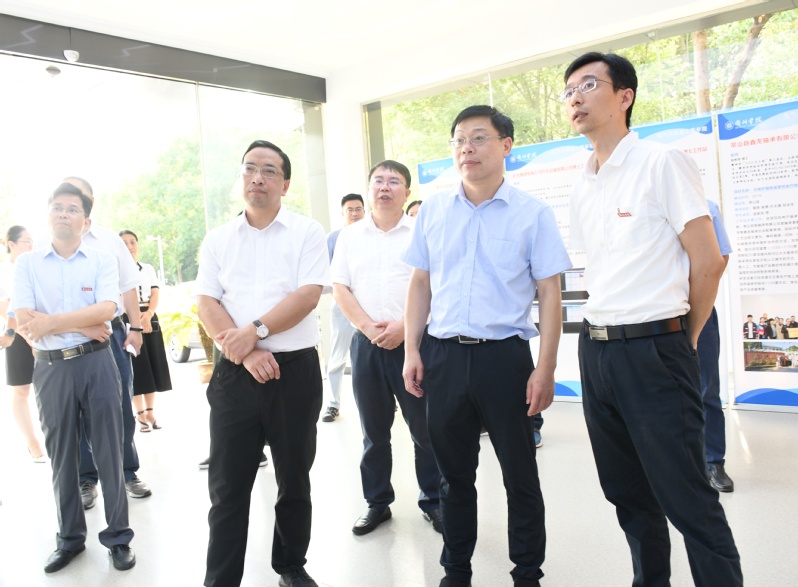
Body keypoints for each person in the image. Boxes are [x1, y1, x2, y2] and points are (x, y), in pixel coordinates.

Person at [564, 51, 741, 585]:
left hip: (654, 349)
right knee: (627, 494)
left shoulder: (661, 162)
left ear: (625, 96)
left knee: (686, 496)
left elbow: (708, 262)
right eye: (568, 90)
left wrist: (683, 339)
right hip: (596, 351)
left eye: (588, 84)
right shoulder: (583, 181)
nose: (575, 97)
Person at [402, 105, 571, 587]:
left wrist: (545, 367)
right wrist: (413, 350)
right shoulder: (434, 211)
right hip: (444, 357)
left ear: (506, 145)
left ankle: (527, 574)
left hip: (504, 360)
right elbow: (419, 284)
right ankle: (455, 571)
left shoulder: (532, 214)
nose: (466, 148)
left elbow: (549, 293)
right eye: (459, 140)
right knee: (453, 477)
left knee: (520, 475)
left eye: (478, 138)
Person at [197, 140, 330, 587]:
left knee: (294, 478)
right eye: (250, 168)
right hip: (236, 374)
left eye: (269, 170)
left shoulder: (307, 232)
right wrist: (247, 351)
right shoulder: (218, 239)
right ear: (241, 178)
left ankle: (290, 565)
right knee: (227, 487)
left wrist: (254, 332)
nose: (258, 177)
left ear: (285, 184)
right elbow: (207, 301)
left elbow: (307, 296)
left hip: (294, 373)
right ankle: (220, 579)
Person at [12, 183, 136, 573]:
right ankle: (69, 539)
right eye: (57, 207)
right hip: (51, 368)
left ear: (86, 220)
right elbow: (24, 320)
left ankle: (118, 537)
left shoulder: (101, 260)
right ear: (48, 214)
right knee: (62, 456)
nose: (63, 214)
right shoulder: (27, 264)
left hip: (97, 364)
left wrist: (51, 322)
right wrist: (82, 325)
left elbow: (107, 310)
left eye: (72, 209)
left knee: (109, 452)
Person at [333, 160, 442, 536]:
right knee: (373, 431)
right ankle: (377, 502)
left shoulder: (422, 232)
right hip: (367, 347)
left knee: (425, 428)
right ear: (369, 189)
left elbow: (435, 287)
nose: (384, 187)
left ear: (406, 192)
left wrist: (405, 329)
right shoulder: (350, 236)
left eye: (393, 181)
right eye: (378, 181)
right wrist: (368, 328)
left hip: (415, 346)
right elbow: (340, 288)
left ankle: (434, 500)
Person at [62, 176, 151, 508]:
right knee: (78, 411)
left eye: (79, 196)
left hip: (112, 334)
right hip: (69, 338)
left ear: (90, 202)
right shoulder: (51, 244)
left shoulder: (109, 240)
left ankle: (127, 472)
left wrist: (136, 328)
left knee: (121, 404)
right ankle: (87, 479)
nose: (72, 204)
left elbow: (129, 286)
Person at [119, 230, 172, 431]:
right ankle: (139, 414)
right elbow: (120, 298)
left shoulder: (147, 268)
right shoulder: (115, 270)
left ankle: (150, 411)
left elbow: (155, 293)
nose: (129, 246)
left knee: (152, 365)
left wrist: (148, 314)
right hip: (128, 320)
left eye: (132, 242)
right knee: (136, 367)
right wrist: (137, 321)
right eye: (124, 243)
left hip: (148, 316)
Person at [698, 200, 734, 493]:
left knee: (706, 388)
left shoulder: (706, 206)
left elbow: (721, 258)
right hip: (659, 311)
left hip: (701, 308)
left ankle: (713, 461)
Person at [0, 225, 45, 462]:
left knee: (47, 387)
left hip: (41, 331)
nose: (31, 245)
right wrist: (26, 337)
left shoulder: (34, 267)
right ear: (12, 244)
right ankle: (32, 443)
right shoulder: (4, 272)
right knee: (21, 390)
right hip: (17, 334)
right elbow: (6, 308)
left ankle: (53, 437)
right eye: (27, 241)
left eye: (32, 241)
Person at [322, 193, 365, 422]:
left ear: (364, 211)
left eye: (358, 209)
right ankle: (332, 404)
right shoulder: (333, 239)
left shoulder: (372, 235)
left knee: (373, 356)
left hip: (370, 308)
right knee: (338, 355)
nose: (355, 213)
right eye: (350, 210)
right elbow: (326, 274)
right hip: (341, 306)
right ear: (342, 213)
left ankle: (383, 399)